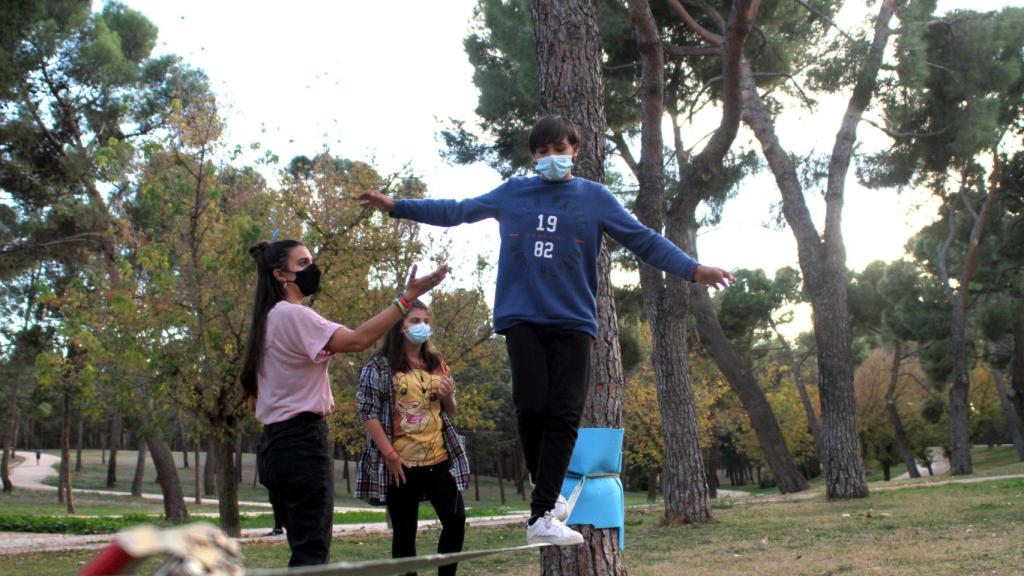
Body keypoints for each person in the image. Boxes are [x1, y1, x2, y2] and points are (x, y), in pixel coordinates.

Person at [356, 114, 735, 546]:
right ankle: (546, 492)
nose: (550, 158)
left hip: (573, 320)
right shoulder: (516, 192)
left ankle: (541, 512)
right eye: (541, 152)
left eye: (558, 150)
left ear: (575, 149)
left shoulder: (595, 198)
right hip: (522, 316)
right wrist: (397, 207)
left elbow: (644, 239)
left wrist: (693, 268)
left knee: (565, 412)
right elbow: (459, 210)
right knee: (532, 403)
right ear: (533, 157)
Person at [241, 238, 448, 567]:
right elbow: (357, 339)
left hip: (274, 446)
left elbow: (254, 400)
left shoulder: (267, 320)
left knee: (303, 550)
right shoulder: (293, 315)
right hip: (300, 444)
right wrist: (406, 299)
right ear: (280, 275)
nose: (313, 269)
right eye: (303, 263)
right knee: (311, 556)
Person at [355, 299, 469, 576]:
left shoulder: (436, 362)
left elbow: (449, 410)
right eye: (415, 321)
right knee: (405, 535)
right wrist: (390, 456)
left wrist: (449, 395)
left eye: (426, 321)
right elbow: (367, 413)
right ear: (399, 326)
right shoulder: (379, 366)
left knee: (455, 521)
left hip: (439, 459)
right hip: (401, 464)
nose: (423, 327)